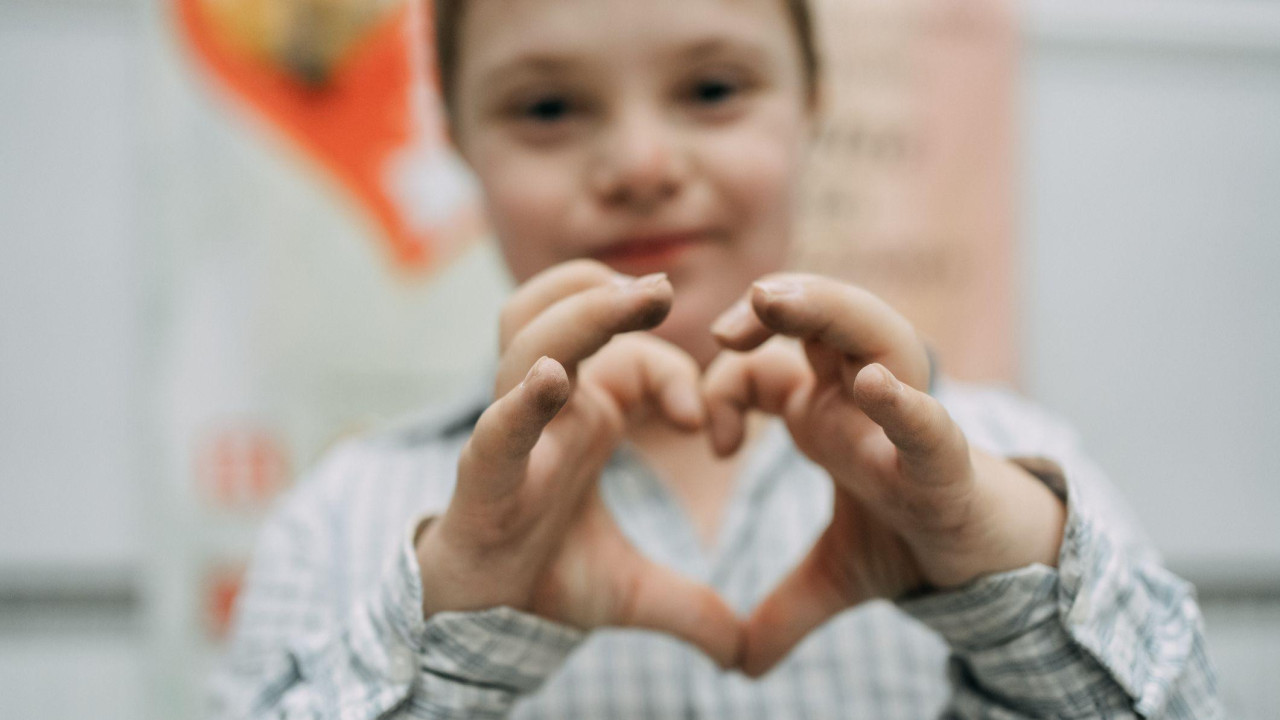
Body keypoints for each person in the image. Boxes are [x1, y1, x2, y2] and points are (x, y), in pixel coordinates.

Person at [211, 0, 1222, 717]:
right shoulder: (345, 517)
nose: (641, 166)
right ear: (460, 142)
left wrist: (995, 576)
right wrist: (455, 628)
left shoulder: (1013, 469)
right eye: (547, 109)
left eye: (711, 88)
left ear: (812, 103)